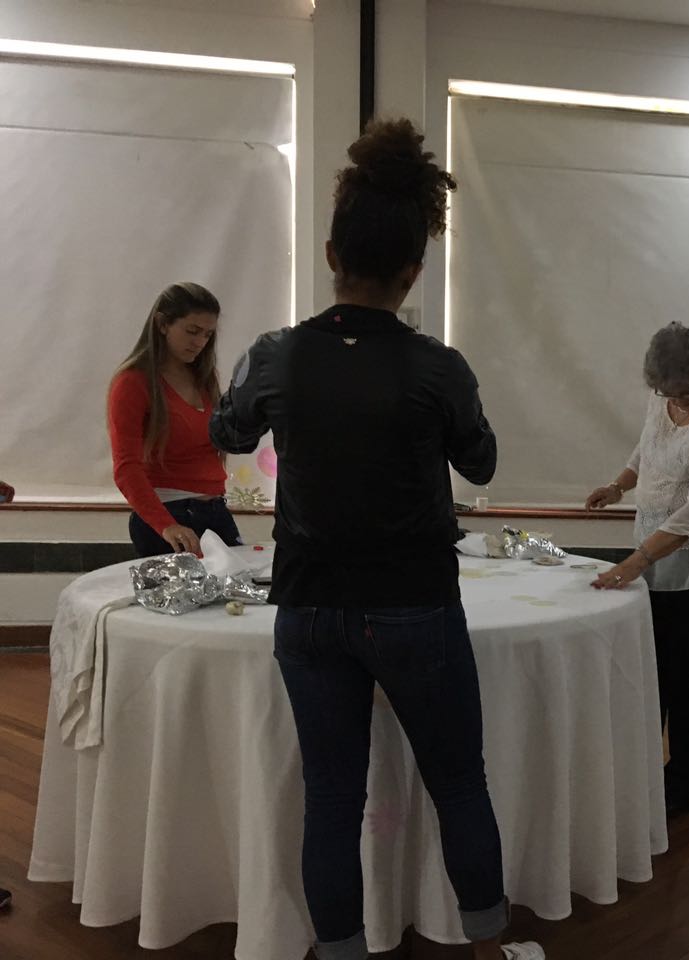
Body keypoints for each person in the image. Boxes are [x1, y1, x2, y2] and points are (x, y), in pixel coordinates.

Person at [209, 118, 541, 960]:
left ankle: (344, 952)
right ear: (414, 270)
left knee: (331, 798)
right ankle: (489, 946)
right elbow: (481, 461)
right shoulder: (439, 367)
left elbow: (228, 432)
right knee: (458, 783)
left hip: (310, 607)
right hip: (414, 606)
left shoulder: (274, 355)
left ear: (331, 254)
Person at [585, 322, 689, 816]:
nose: (681, 402)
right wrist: (618, 486)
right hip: (653, 550)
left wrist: (636, 561)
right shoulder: (665, 396)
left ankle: (685, 783)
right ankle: (643, 775)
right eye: (671, 395)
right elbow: (648, 448)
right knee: (652, 667)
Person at [107, 282, 240, 557]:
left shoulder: (203, 378)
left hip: (215, 510)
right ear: (162, 324)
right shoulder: (133, 382)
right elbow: (126, 467)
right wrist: (165, 525)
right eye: (192, 331)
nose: (200, 342)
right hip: (169, 513)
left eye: (208, 334)